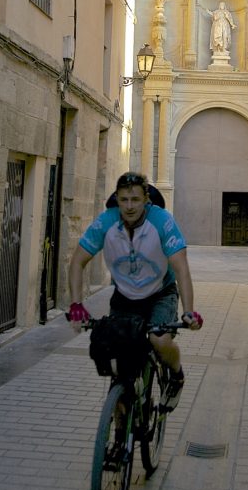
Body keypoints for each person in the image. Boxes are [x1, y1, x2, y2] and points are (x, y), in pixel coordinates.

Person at [68, 171, 202, 410]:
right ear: (117, 199)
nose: (129, 206)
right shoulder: (107, 221)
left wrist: (189, 311)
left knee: (159, 339)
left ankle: (176, 375)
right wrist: (76, 305)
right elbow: (77, 261)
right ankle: (119, 433)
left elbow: (181, 269)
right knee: (118, 364)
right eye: (123, 200)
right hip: (124, 296)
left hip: (160, 293)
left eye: (135, 200)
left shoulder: (162, 221)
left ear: (146, 200)